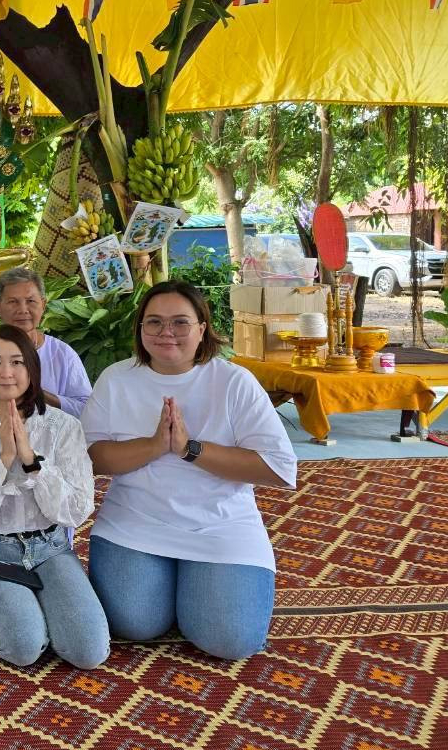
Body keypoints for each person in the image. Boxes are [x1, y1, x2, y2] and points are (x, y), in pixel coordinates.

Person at [81, 280, 296, 661]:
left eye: (180, 322)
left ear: (202, 328)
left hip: (220, 525)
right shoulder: (118, 378)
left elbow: (277, 470)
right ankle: (179, 593)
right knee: (134, 624)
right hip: (134, 523)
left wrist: (188, 449)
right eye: (154, 322)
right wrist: (152, 446)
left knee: (229, 641)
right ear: (140, 329)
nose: (167, 333)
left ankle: (199, 596)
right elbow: (91, 458)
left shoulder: (233, 382)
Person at [0, 326, 108, 669]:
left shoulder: (62, 426)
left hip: (50, 547)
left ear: (32, 369)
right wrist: (3, 456)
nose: (6, 373)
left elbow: (77, 509)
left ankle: (42, 612)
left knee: (88, 652)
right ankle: (27, 615)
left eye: (17, 362)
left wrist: (32, 462)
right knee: (23, 647)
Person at [0, 267, 91, 416]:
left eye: (31, 301)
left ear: (43, 305)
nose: (23, 310)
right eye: (13, 302)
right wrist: (5, 394)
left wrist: (36, 394)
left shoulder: (62, 353)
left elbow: (87, 410)